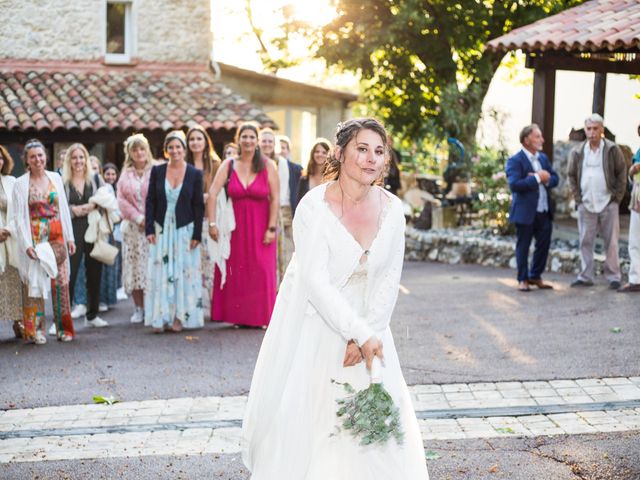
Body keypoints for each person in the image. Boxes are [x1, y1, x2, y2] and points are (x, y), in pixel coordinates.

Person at [242, 118, 428, 479]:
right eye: (362, 149)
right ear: (340, 153)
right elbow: (315, 281)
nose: (371, 159)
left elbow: (390, 278)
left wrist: (370, 331)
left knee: (374, 432)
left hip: (373, 332)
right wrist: (355, 331)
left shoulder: (393, 211)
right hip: (322, 327)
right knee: (317, 425)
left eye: (379, 151)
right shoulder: (312, 208)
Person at [207, 122, 279, 328]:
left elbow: (275, 198)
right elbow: (212, 193)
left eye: (251, 137)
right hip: (234, 228)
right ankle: (239, 317)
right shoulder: (228, 164)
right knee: (236, 272)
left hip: (261, 226)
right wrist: (212, 223)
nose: (247, 140)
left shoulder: (268, 165)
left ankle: (261, 317)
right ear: (238, 139)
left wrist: (271, 228)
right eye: (244, 136)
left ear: (257, 141)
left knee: (262, 270)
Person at [12, 139, 76, 344]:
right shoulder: (20, 183)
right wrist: (26, 244)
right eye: (33, 157)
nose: (38, 159)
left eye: (40, 155)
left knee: (62, 282)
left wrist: (70, 237)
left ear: (45, 157)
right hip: (35, 235)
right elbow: (19, 217)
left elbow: (64, 209)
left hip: (57, 232)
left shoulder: (55, 178)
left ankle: (63, 328)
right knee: (34, 283)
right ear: (27, 161)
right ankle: (34, 330)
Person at [145, 130, 204, 333]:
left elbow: (198, 205)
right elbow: (150, 199)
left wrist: (197, 234)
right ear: (166, 150)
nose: (175, 150)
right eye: (171, 147)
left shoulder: (195, 174)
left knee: (182, 272)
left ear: (184, 149)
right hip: (162, 228)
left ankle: (180, 317)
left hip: (184, 229)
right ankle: (161, 316)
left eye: (178, 146)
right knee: (161, 271)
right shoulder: (158, 171)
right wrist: (149, 228)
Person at [567, 113, 627, 289]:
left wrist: (616, 198)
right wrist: (578, 199)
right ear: (585, 130)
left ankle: (614, 277)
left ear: (602, 130)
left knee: (611, 241)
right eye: (588, 129)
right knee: (585, 240)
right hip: (586, 203)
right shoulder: (577, 151)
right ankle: (585, 276)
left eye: (595, 128)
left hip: (608, 202)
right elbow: (571, 176)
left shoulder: (612, 150)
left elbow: (621, 174)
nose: (592, 132)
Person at [506, 124, 559, 292]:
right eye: (538, 136)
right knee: (523, 246)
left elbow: (555, 178)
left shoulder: (543, 158)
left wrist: (546, 179)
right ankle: (523, 279)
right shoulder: (515, 160)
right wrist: (537, 178)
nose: (542, 140)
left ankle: (535, 276)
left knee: (543, 245)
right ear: (526, 140)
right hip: (525, 212)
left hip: (543, 210)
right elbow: (514, 185)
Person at [63, 144, 108, 328]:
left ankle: (92, 315)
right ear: (69, 161)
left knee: (94, 272)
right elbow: (58, 206)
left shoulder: (95, 178)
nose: (78, 161)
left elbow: (107, 198)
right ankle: (63, 317)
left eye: (82, 157)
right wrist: (73, 210)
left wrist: (94, 205)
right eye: (74, 157)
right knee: (69, 275)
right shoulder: (63, 181)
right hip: (72, 230)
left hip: (93, 228)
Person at [117, 134, 152, 324]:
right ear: (130, 153)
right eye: (135, 149)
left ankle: (153, 306)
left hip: (152, 229)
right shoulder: (125, 174)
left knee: (151, 268)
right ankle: (139, 308)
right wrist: (138, 217)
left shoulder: (155, 171)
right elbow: (121, 200)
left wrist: (150, 218)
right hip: (133, 229)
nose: (139, 153)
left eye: (142, 148)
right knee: (135, 268)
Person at [186, 125, 221, 315]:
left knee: (211, 264)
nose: (195, 142)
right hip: (189, 222)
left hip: (209, 220)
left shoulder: (215, 165)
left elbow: (219, 193)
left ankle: (214, 306)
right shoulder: (183, 164)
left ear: (205, 142)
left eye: (199, 139)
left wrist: (206, 197)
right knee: (192, 265)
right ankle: (193, 308)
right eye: (192, 139)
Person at [260, 129, 301, 280]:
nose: (267, 144)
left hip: (277, 211)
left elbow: (282, 193)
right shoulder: (255, 161)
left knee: (282, 252)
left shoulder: (281, 163)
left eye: (270, 141)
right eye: (264, 141)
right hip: (259, 209)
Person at [0, 145, 23, 338]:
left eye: (0, 158)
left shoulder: (12, 182)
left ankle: (18, 322)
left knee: (13, 281)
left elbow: (19, 211)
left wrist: (7, 230)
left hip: (9, 237)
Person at [619, 123, 640, 292]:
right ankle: (635, 279)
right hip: (637, 201)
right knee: (634, 240)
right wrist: (632, 170)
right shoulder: (639, 153)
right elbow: (632, 179)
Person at [98, 163, 121, 310]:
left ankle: (110, 297)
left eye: (113, 174)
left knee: (114, 264)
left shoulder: (117, 188)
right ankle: (102, 299)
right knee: (105, 265)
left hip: (116, 230)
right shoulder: (103, 189)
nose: (111, 177)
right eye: (108, 174)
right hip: (106, 229)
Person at [297, 138, 331, 203]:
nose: (320, 154)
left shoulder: (333, 179)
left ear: (329, 155)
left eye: (324, 152)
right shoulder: (304, 179)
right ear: (312, 154)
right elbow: (299, 202)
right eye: (317, 151)